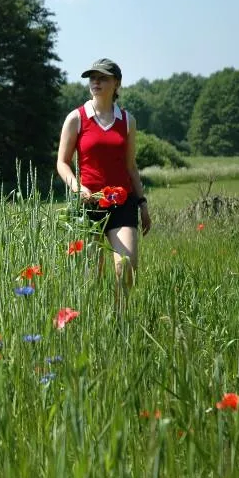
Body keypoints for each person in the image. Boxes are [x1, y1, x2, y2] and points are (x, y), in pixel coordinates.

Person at [56, 58, 152, 312]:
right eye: (92, 78)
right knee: (90, 274)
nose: (95, 82)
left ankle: (119, 320)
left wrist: (142, 203)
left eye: (103, 78)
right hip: (88, 205)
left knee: (127, 264)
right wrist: (77, 187)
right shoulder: (76, 118)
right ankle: (89, 321)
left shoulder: (127, 121)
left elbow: (131, 166)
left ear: (116, 83)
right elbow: (62, 163)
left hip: (122, 203)